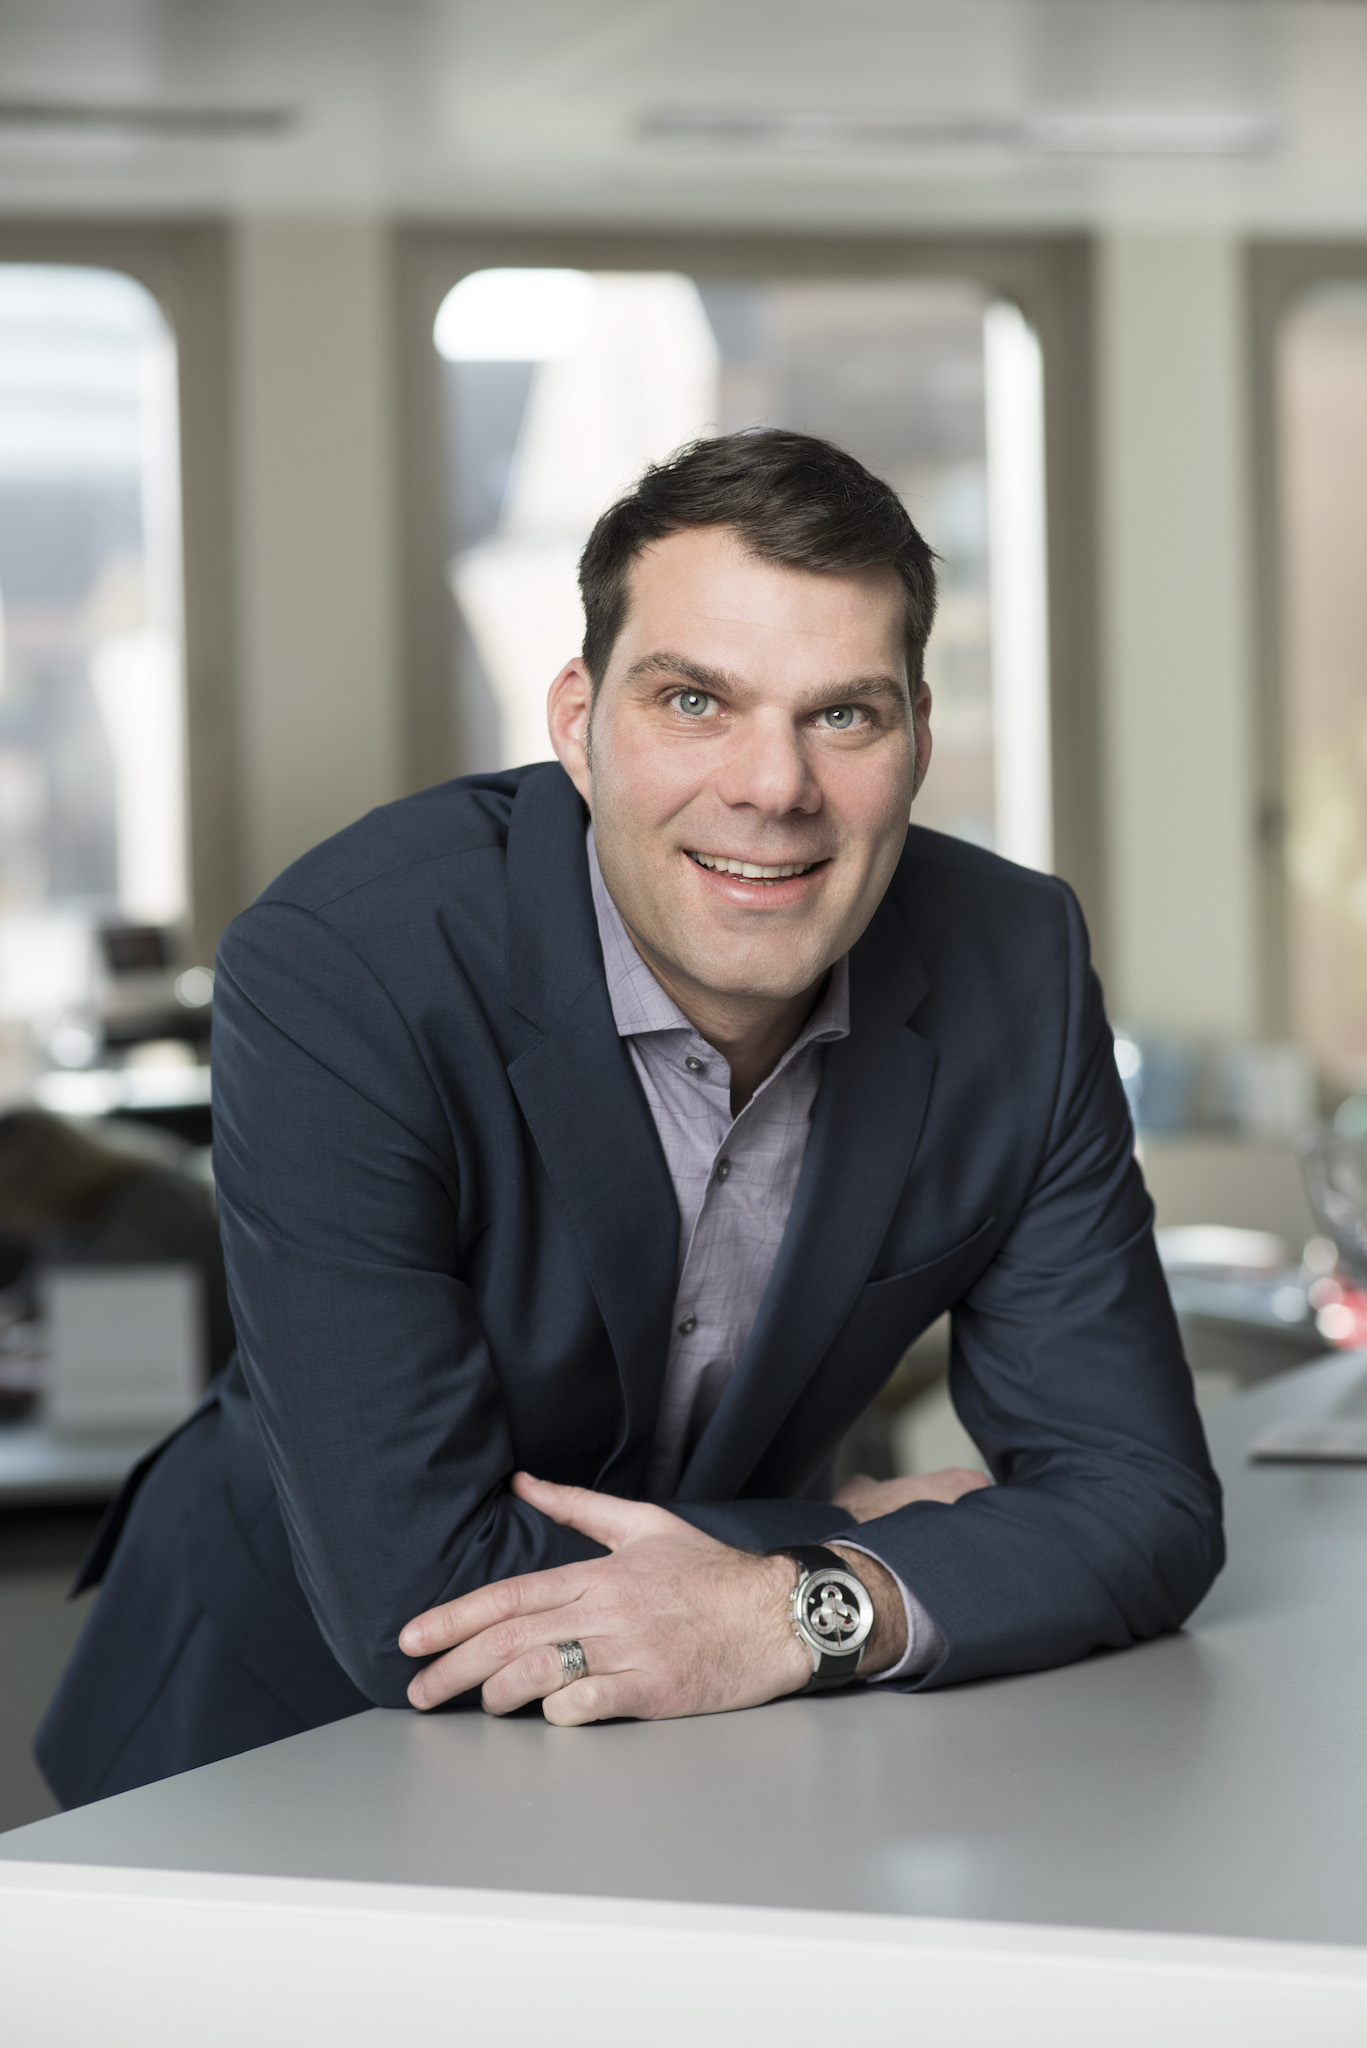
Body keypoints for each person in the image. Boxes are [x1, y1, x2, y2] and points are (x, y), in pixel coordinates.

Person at [37, 429, 1222, 1804]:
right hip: (266, 1743)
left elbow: (1143, 1502)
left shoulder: (1011, 966)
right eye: (693, 701)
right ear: (576, 723)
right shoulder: (345, 966)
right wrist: (835, 1543)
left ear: (913, 738)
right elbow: (414, 1591)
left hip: (710, 1736)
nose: (771, 788)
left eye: (842, 715)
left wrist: (783, 1608)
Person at [0, 1109, 234, 1382]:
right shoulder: (68, 1220)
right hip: (133, 1374)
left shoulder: (156, 1203)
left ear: (34, 1187)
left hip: (193, 1376)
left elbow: (123, 1319)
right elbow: (33, 1295)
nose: (6, 1226)